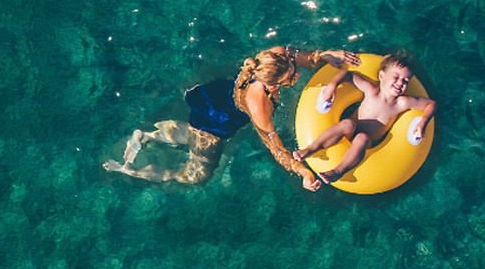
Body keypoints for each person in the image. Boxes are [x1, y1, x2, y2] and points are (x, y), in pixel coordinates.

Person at [102, 46, 360, 192]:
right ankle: (131, 169)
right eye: (290, 79)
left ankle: (147, 135)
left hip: (215, 94)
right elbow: (276, 149)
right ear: (272, 86)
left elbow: (294, 55)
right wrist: (301, 171)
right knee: (197, 176)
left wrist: (323, 56)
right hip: (219, 121)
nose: (296, 77)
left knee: (194, 131)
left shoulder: (271, 57)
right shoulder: (259, 106)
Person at [292, 51, 437, 184]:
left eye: (405, 81)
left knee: (362, 138)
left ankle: (337, 171)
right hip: (349, 130)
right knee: (347, 124)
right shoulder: (371, 90)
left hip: (367, 142)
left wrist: (423, 122)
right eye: (396, 77)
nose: (400, 83)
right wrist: (332, 86)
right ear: (382, 76)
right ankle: (311, 149)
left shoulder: (402, 103)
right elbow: (348, 75)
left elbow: (431, 104)